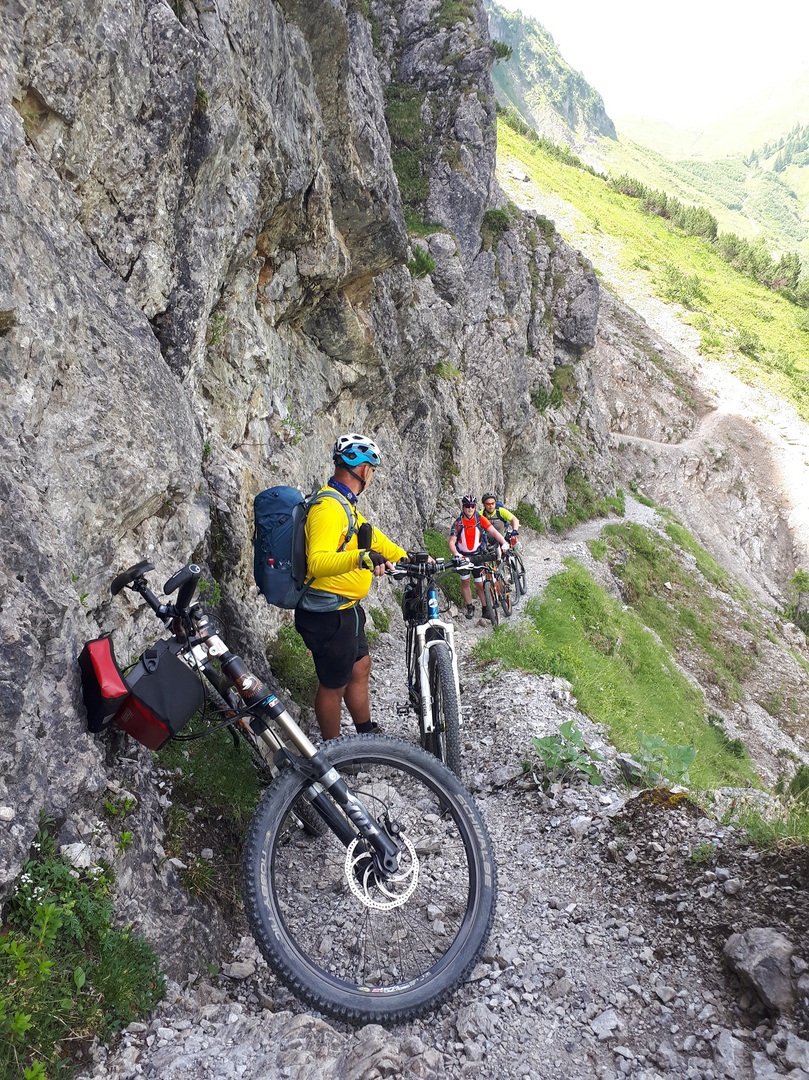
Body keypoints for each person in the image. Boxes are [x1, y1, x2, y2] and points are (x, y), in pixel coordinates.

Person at [294, 433, 407, 740]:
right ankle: (334, 755)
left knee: (360, 666)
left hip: (346, 609)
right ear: (364, 470)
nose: (371, 476)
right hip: (327, 614)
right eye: (372, 470)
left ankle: (364, 731)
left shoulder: (346, 505)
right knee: (333, 685)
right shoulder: (328, 508)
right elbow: (317, 562)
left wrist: (409, 558)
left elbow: (376, 540)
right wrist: (360, 558)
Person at [448, 495, 508, 619]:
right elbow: (451, 542)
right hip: (463, 557)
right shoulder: (458, 523)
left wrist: (503, 542)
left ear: (475, 507)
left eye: (472, 506)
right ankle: (470, 607)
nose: (470, 508)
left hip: (478, 555)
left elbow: (493, 532)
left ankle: (486, 608)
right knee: (465, 582)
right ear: (463, 507)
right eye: (467, 506)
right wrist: (457, 555)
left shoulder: (480, 519)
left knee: (480, 584)